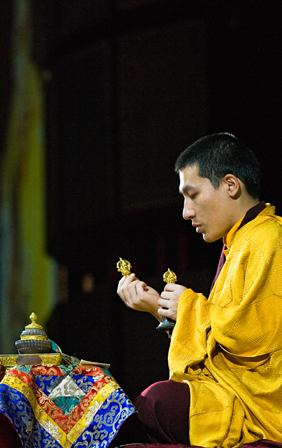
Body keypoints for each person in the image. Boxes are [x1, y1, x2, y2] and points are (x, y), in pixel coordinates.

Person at [117, 132, 282, 448]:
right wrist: (159, 307)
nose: (186, 211)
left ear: (231, 186)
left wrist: (190, 306)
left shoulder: (269, 240)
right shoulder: (239, 243)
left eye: (192, 195)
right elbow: (220, 340)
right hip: (232, 397)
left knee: (157, 403)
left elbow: (257, 335)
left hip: (262, 412)